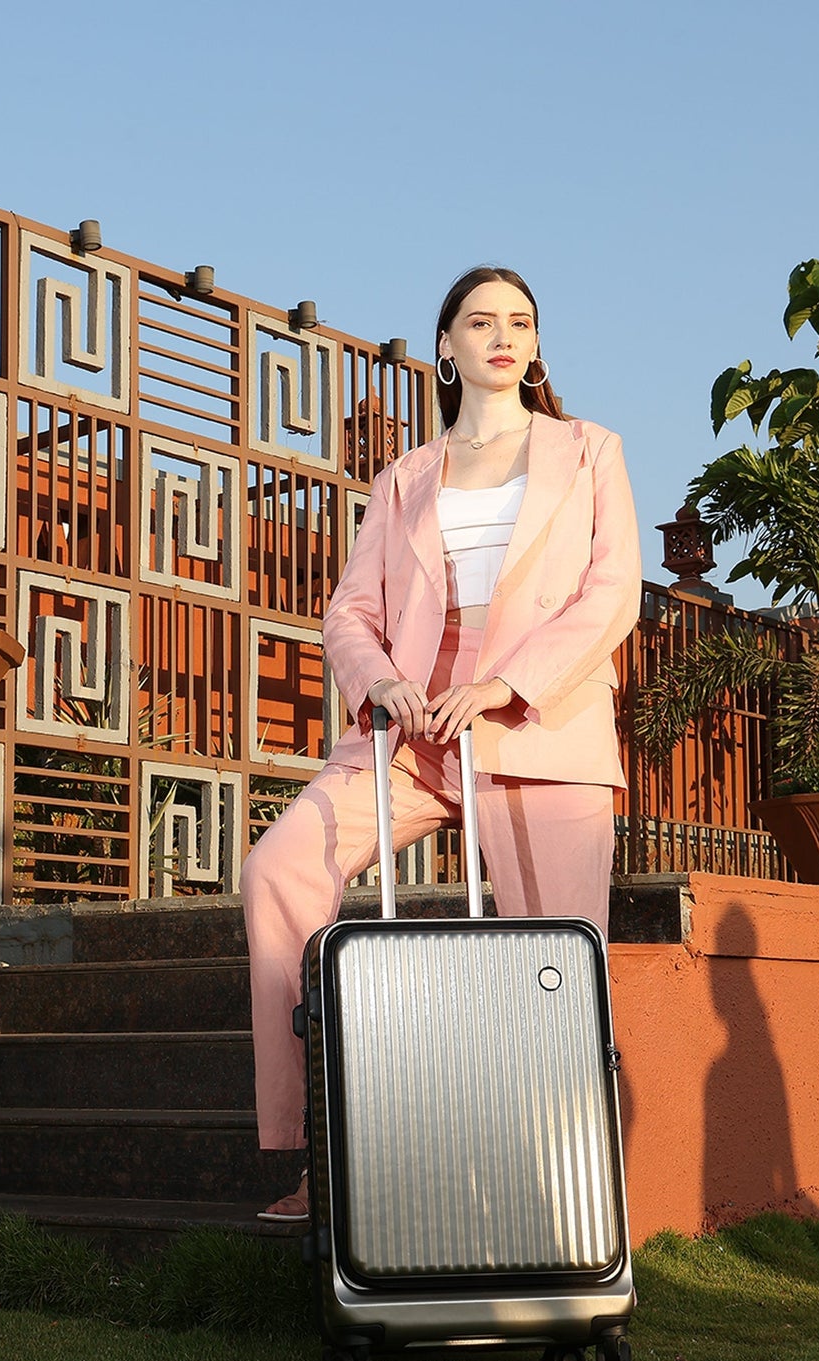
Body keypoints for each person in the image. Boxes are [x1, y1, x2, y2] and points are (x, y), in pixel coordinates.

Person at [241, 265, 642, 1220]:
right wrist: (378, 680)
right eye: (481, 321)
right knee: (277, 869)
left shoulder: (589, 451)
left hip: (538, 729)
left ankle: (565, 1194)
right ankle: (328, 1150)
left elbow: (612, 592)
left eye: (520, 322)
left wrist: (504, 685)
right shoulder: (404, 478)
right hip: (412, 735)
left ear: (536, 347)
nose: (503, 336)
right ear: (446, 346)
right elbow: (350, 611)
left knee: (555, 965)